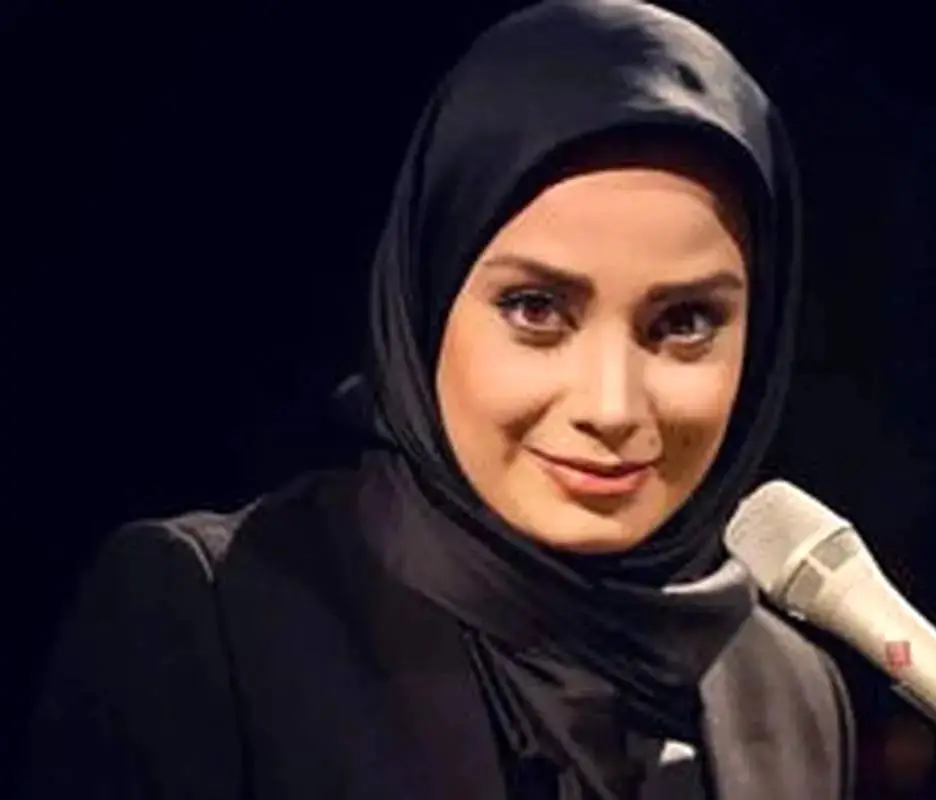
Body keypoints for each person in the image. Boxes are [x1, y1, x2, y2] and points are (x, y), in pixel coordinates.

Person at [21, 1, 855, 798]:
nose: (612, 406)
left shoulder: (790, 696)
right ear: (426, 302)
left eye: (683, 323)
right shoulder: (217, 620)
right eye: (536, 310)